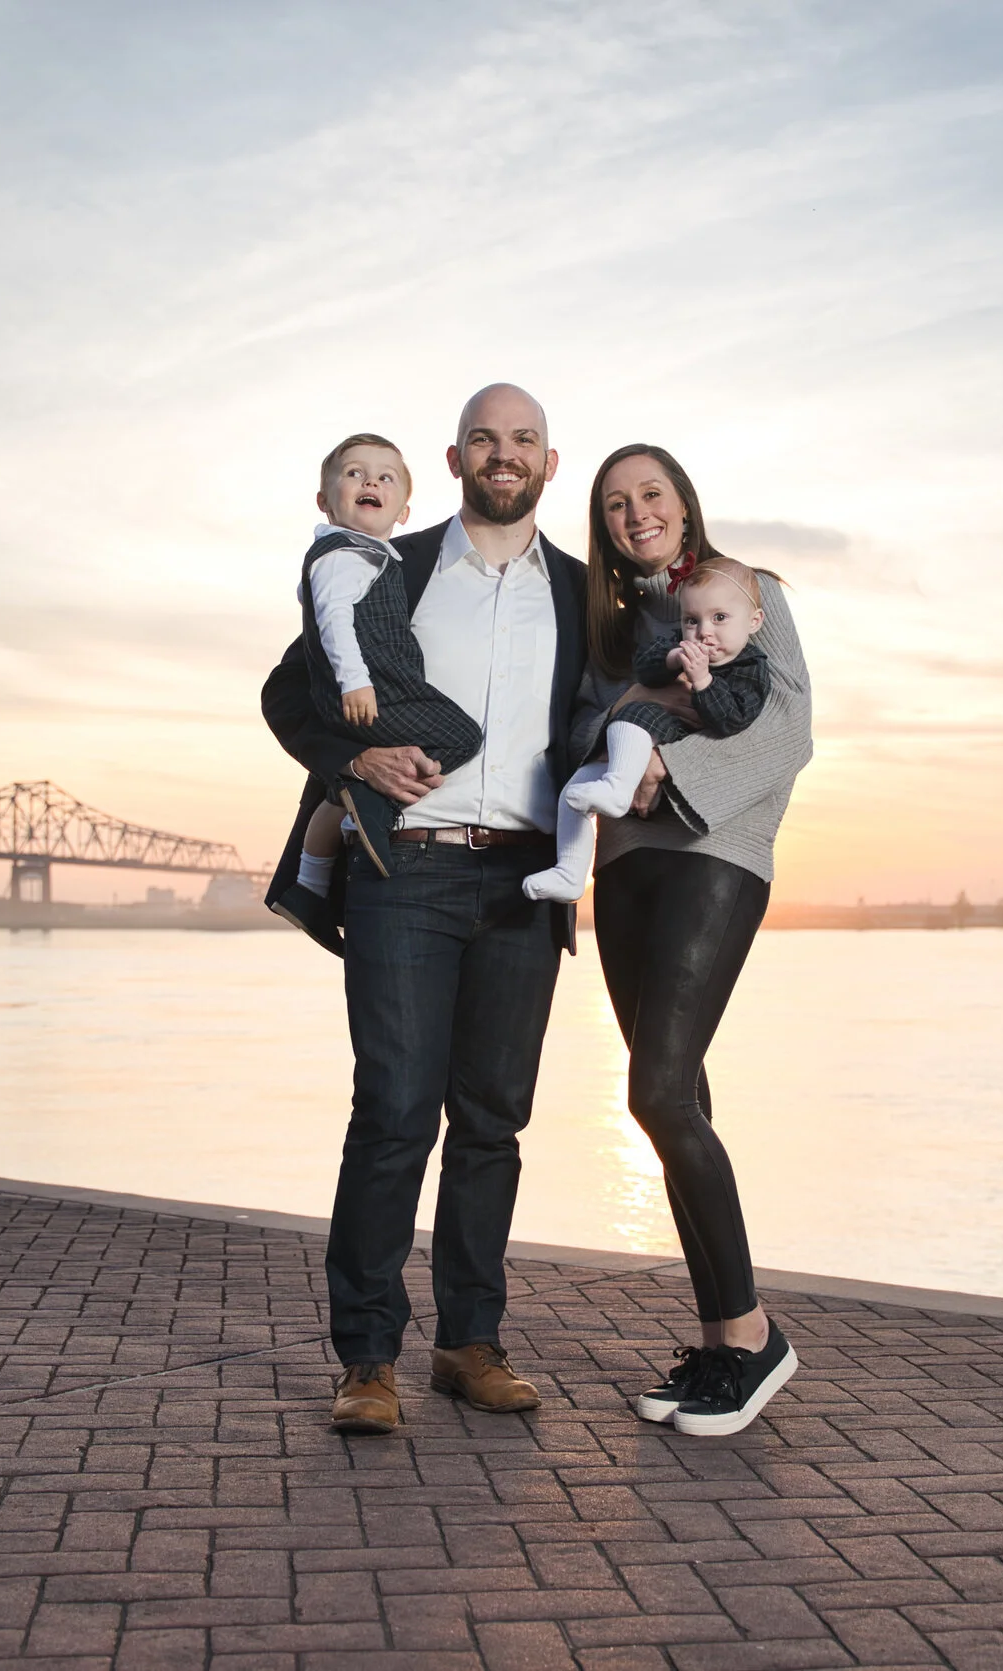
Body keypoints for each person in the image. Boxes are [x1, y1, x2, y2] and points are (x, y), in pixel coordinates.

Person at [259, 384, 591, 1435]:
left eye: (524, 440)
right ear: (453, 460)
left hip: (528, 877)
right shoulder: (384, 565)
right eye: (486, 439)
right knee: (393, 1113)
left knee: (491, 1125)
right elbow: (283, 695)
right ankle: (366, 1360)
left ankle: (469, 1344)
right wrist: (352, 754)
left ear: (549, 459)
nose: (506, 454)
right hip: (405, 870)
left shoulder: (588, 597)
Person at [569, 444, 813, 1437]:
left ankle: (754, 1339)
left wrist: (671, 774)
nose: (637, 514)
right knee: (680, 1096)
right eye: (617, 504)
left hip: (718, 851)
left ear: (683, 502)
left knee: (655, 1090)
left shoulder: (750, 593)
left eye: (652, 495)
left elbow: (788, 727)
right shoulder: (604, 628)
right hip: (624, 868)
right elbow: (583, 737)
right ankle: (719, 1341)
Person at [268, 434, 485, 955]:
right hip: (377, 704)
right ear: (325, 500)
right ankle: (367, 807)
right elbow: (311, 653)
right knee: (463, 736)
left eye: (385, 477)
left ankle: (311, 885)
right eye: (354, 473)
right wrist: (355, 754)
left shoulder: (369, 557)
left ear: (405, 507)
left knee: (342, 794)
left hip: (511, 873)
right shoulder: (348, 557)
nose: (370, 482)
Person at [524, 557, 772, 902]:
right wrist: (672, 660)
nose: (704, 631)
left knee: (634, 712)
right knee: (574, 790)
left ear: (754, 621)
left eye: (719, 618)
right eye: (691, 620)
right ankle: (569, 871)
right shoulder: (679, 643)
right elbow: (646, 666)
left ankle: (616, 788)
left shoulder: (751, 668)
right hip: (629, 750)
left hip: (672, 743)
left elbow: (731, 720)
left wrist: (702, 680)